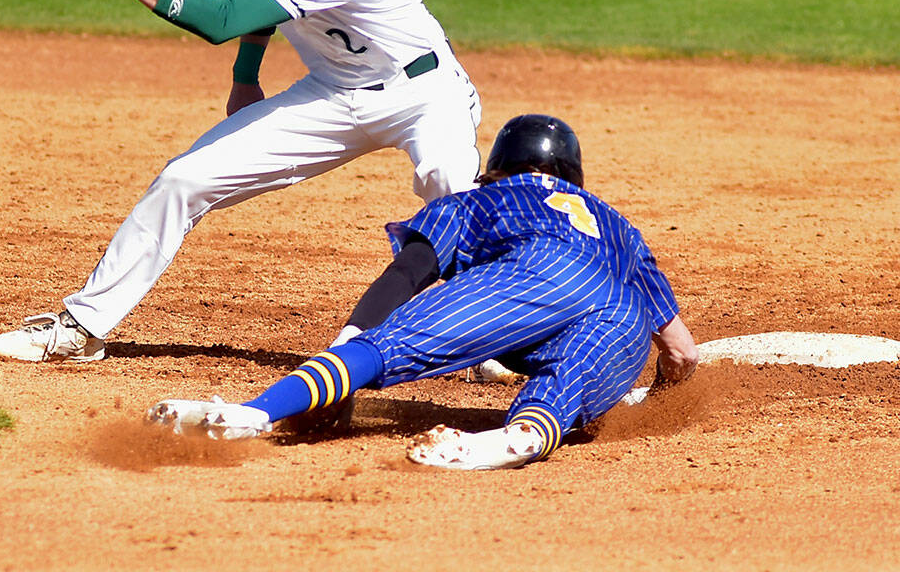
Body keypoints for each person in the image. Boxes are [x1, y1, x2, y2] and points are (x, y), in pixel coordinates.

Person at [0, 0, 481, 362]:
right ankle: (82, 327)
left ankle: (501, 335)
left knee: (452, 193)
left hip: (422, 93)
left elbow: (219, 20)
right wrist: (247, 77)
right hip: (333, 91)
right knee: (184, 179)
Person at [146, 115, 700, 470]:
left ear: (500, 169)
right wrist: (654, 397)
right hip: (622, 320)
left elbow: (407, 274)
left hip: (535, 275)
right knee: (561, 389)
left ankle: (254, 415)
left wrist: (348, 343)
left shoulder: (481, 201)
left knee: (386, 347)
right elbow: (681, 351)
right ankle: (510, 442)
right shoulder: (621, 228)